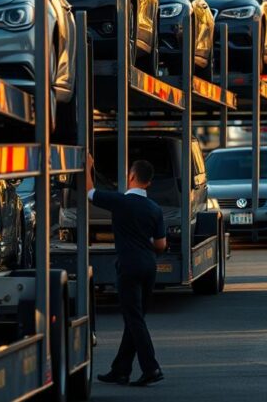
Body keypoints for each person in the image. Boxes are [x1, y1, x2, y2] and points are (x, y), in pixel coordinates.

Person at [88, 157, 166, 387]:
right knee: (136, 318)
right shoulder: (155, 208)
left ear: (131, 177)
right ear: (149, 182)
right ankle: (120, 370)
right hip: (149, 266)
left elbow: (90, 193)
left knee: (134, 319)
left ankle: (151, 367)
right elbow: (161, 244)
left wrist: (88, 166)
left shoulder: (120, 202)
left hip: (129, 266)